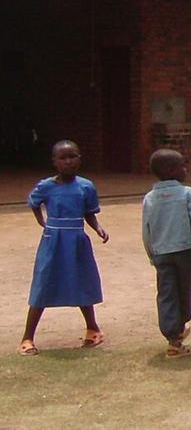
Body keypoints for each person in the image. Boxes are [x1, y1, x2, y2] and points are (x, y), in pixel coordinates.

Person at [19, 140, 109, 355]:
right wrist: (43, 222)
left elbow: (89, 212)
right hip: (53, 240)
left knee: (81, 281)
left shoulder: (86, 186)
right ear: (54, 162)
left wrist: (97, 228)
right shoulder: (46, 186)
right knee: (44, 282)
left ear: (79, 159)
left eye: (72, 157)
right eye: (63, 158)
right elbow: (34, 203)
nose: (68, 161)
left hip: (77, 239)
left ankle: (93, 328)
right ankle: (28, 337)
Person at [142, 149, 191, 358]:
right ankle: (178, 333)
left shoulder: (149, 198)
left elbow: (146, 230)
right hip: (185, 251)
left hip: (161, 253)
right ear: (171, 170)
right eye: (182, 166)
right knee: (183, 289)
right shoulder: (187, 194)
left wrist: (151, 254)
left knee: (166, 292)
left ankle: (172, 335)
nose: (185, 170)